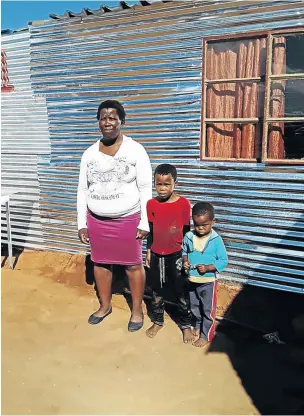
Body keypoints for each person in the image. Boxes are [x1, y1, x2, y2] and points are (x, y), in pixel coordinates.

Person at [77, 99, 152, 332]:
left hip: (128, 219)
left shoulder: (135, 150)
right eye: (103, 117)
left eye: (112, 117)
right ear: (98, 122)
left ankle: (137, 310)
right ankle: (105, 305)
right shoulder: (89, 153)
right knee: (100, 263)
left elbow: (145, 188)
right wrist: (82, 223)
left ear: (122, 121)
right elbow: (82, 189)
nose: (107, 121)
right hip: (97, 220)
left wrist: (144, 222)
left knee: (133, 265)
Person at [145, 163, 193, 343]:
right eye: (158, 184)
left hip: (177, 255)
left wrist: (187, 255)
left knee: (181, 291)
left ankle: (186, 325)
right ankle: (158, 320)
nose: (162, 188)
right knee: (156, 290)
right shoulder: (151, 204)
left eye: (166, 184)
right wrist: (148, 251)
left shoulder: (183, 203)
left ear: (175, 183)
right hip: (157, 254)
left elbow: (187, 231)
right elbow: (150, 229)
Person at [182, 202, 228, 347]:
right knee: (195, 306)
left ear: (213, 222)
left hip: (208, 282)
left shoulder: (216, 240)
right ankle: (199, 324)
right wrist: (185, 261)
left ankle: (206, 335)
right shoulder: (189, 236)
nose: (200, 229)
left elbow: (224, 260)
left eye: (205, 225)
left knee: (208, 310)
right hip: (192, 280)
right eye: (197, 225)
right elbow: (184, 252)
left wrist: (208, 267)